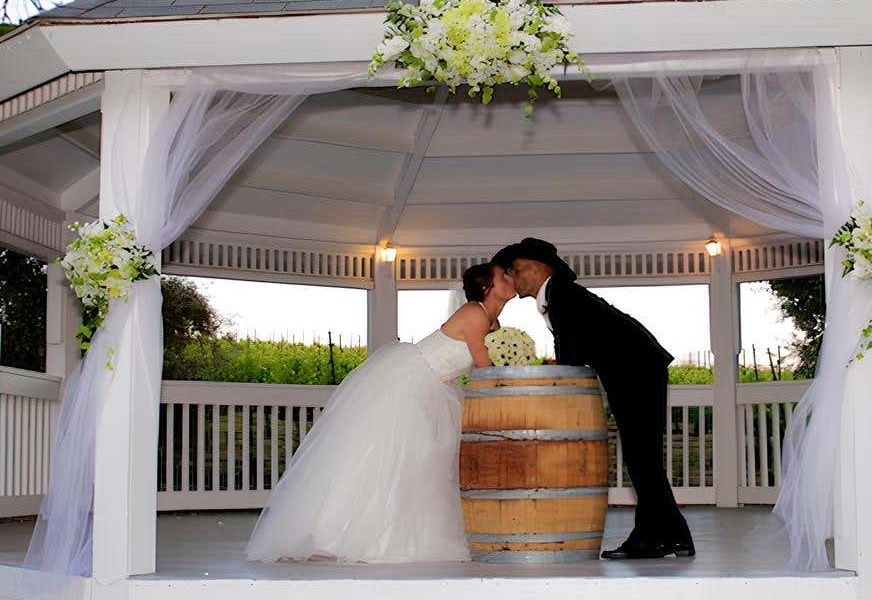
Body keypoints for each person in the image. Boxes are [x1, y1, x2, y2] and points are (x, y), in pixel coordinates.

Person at [244, 261, 515, 563]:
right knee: (394, 455)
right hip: (414, 383)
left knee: (424, 462)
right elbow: (484, 365)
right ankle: (348, 533)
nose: (510, 278)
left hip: (438, 387)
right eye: (503, 275)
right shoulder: (475, 314)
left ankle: (411, 534)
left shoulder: (493, 322)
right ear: (487, 286)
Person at [495, 238, 695, 560]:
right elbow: (577, 344)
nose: (513, 278)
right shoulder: (558, 294)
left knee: (642, 457)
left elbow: (572, 351)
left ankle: (655, 537)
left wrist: (560, 368)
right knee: (642, 458)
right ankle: (673, 535)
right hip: (636, 370)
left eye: (516, 271)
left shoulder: (561, 294)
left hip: (635, 370)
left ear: (537, 268)